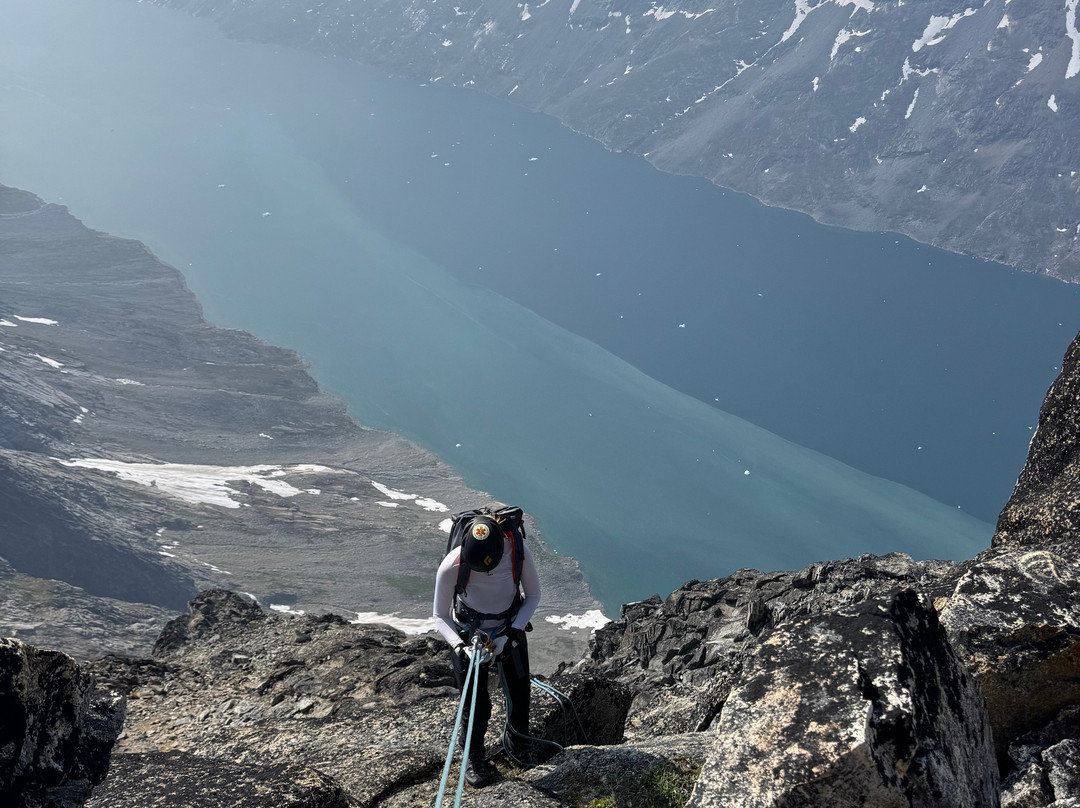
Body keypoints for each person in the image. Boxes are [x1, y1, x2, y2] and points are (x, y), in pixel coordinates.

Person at [432, 512, 541, 788]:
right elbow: (439, 615)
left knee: (519, 689)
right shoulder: (454, 563)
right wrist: (460, 647)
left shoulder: (516, 550)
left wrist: (512, 633)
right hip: (469, 634)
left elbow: (533, 595)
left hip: (508, 627)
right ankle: (473, 755)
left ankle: (518, 742)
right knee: (475, 703)